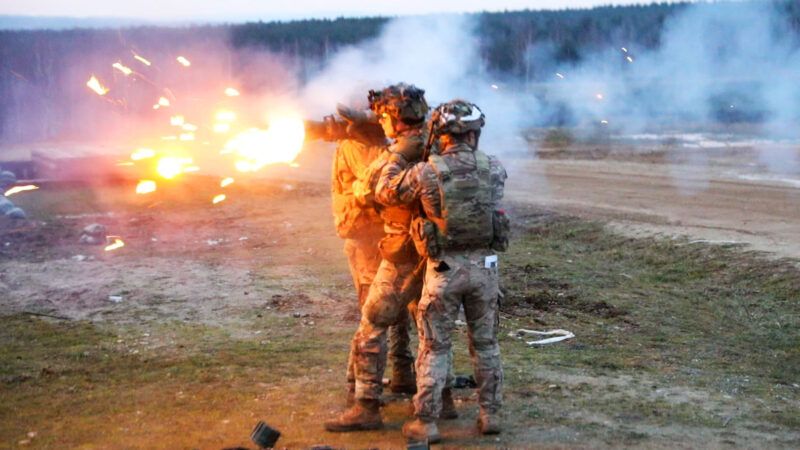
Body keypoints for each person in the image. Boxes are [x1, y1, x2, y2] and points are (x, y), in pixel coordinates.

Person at [374, 100, 509, 443]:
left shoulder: (426, 172)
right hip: (485, 269)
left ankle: (427, 422)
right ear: (475, 133)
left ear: (441, 133)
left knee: (434, 348)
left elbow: (385, 192)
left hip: (443, 269)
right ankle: (490, 415)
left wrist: (397, 155)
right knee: (487, 344)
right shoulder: (494, 167)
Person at [324, 83, 435, 432]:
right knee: (430, 326)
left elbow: (373, 188)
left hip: (400, 249)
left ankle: (365, 404)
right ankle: (436, 400)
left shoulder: (397, 153)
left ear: (395, 118)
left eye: (385, 116)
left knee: (372, 321)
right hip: (432, 251)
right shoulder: (440, 143)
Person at [304, 108, 414, 402]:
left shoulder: (378, 146)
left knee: (396, 304)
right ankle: (358, 383)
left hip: (385, 235)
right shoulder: (359, 147)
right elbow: (374, 187)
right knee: (372, 309)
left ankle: (402, 373)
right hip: (367, 235)